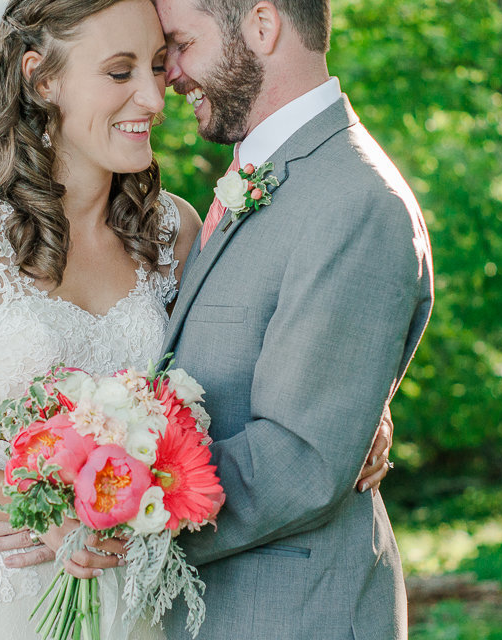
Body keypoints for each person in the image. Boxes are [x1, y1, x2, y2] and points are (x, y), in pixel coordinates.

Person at [0, 0, 394, 638]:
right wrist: (42, 508)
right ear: (41, 77)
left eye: (159, 66)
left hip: (138, 603)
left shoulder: (173, 233)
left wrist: (358, 412)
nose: (154, 98)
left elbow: (245, 363)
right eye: (119, 71)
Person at [148, 0, 435, 638]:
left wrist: (116, 519)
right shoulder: (270, 176)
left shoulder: (356, 201)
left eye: (181, 43)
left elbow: (302, 459)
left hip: (290, 614)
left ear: (261, 24)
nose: (169, 73)